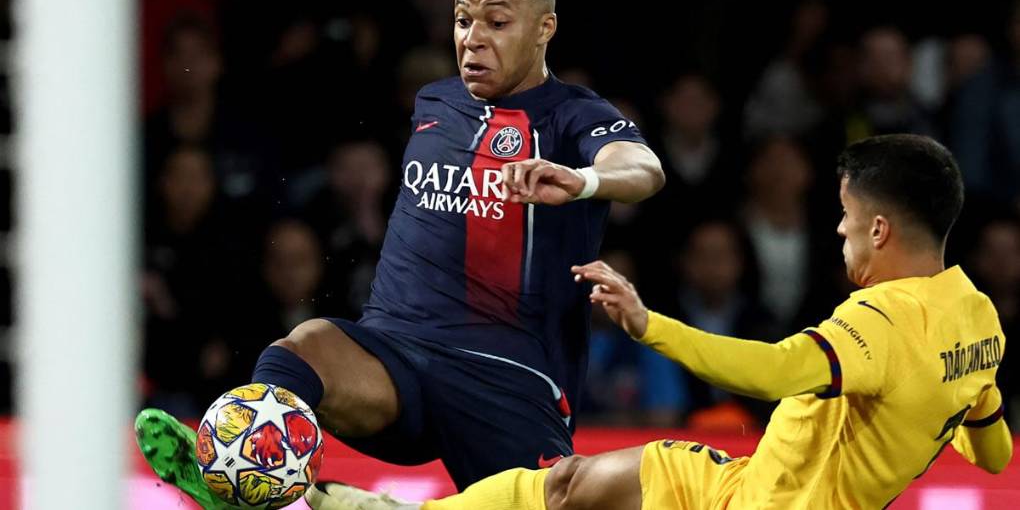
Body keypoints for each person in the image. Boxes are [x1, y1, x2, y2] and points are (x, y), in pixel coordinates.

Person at [135, 0, 664, 510]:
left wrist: (582, 180)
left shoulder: (572, 114)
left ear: (544, 28)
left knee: (556, 499)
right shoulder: (433, 100)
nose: (473, 38)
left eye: (498, 22)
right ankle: (237, 485)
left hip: (507, 381)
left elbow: (642, 168)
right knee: (304, 347)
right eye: (464, 20)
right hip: (396, 359)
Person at [318, 134, 1012, 510]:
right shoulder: (977, 317)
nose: (838, 229)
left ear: (881, 228)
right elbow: (994, 455)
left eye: (848, 218)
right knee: (568, 484)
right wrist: (958, 409)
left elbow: (776, 372)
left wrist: (651, 325)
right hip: (742, 484)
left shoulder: (887, 318)